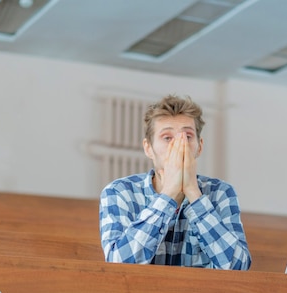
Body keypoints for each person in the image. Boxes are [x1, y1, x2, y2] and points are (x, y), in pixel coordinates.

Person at [99, 94, 251, 270]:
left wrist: (193, 193)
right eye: (167, 138)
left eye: (187, 136)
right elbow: (119, 265)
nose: (180, 145)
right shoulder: (119, 192)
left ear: (199, 146)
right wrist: (169, 193)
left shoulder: (221, 193)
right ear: (148, 147)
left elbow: (238, 268)